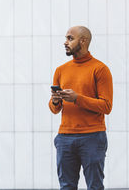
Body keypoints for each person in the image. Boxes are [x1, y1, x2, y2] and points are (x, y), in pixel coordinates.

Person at [49, 26, 113, 190]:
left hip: (92, 137)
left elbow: (106, 106)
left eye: (70, 38)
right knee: (67, 186)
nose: (65, 42)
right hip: (65, 137)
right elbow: (55, 109)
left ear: (83, 41)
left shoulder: (100, 69)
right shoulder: (61, 70)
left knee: (94, 186)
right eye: (66, 38)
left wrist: (77, 98)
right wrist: (55, 101)